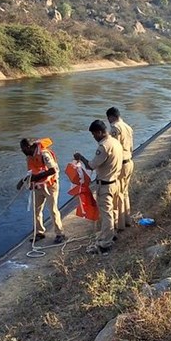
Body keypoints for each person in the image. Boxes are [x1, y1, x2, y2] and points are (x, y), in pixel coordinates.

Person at [74, 120, 124, 254]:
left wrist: (81, 158)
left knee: (106, 214)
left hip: (105, 185)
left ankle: (105, 243)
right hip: (115, 182)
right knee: (113, 211)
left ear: (100, 132)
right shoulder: (115, 142)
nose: (94, 137)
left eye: (94, 134)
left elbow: (91, 165)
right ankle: (111, 234)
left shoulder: (104, 146)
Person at [17, 138, 65, 244]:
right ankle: (39, 232)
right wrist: (24, 181)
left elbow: (53, 170)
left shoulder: (44, 154)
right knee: (37, 210)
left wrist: (37, 177)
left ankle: (60, 233)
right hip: (38, 186)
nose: (22, 151)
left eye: (23, 149)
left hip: (50, 186)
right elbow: (31, 172)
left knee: (53, 210)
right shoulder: (29, 157)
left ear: (28, 147)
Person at [107, 107, 135, 231]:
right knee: (125, 192)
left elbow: (114, 148)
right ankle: (127, 219)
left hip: (121, 164)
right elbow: (131, 147)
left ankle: (120, 225)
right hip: (129, 161)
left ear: (111, 117)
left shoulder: (115, 128)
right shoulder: (128, 127)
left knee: (118, 194)